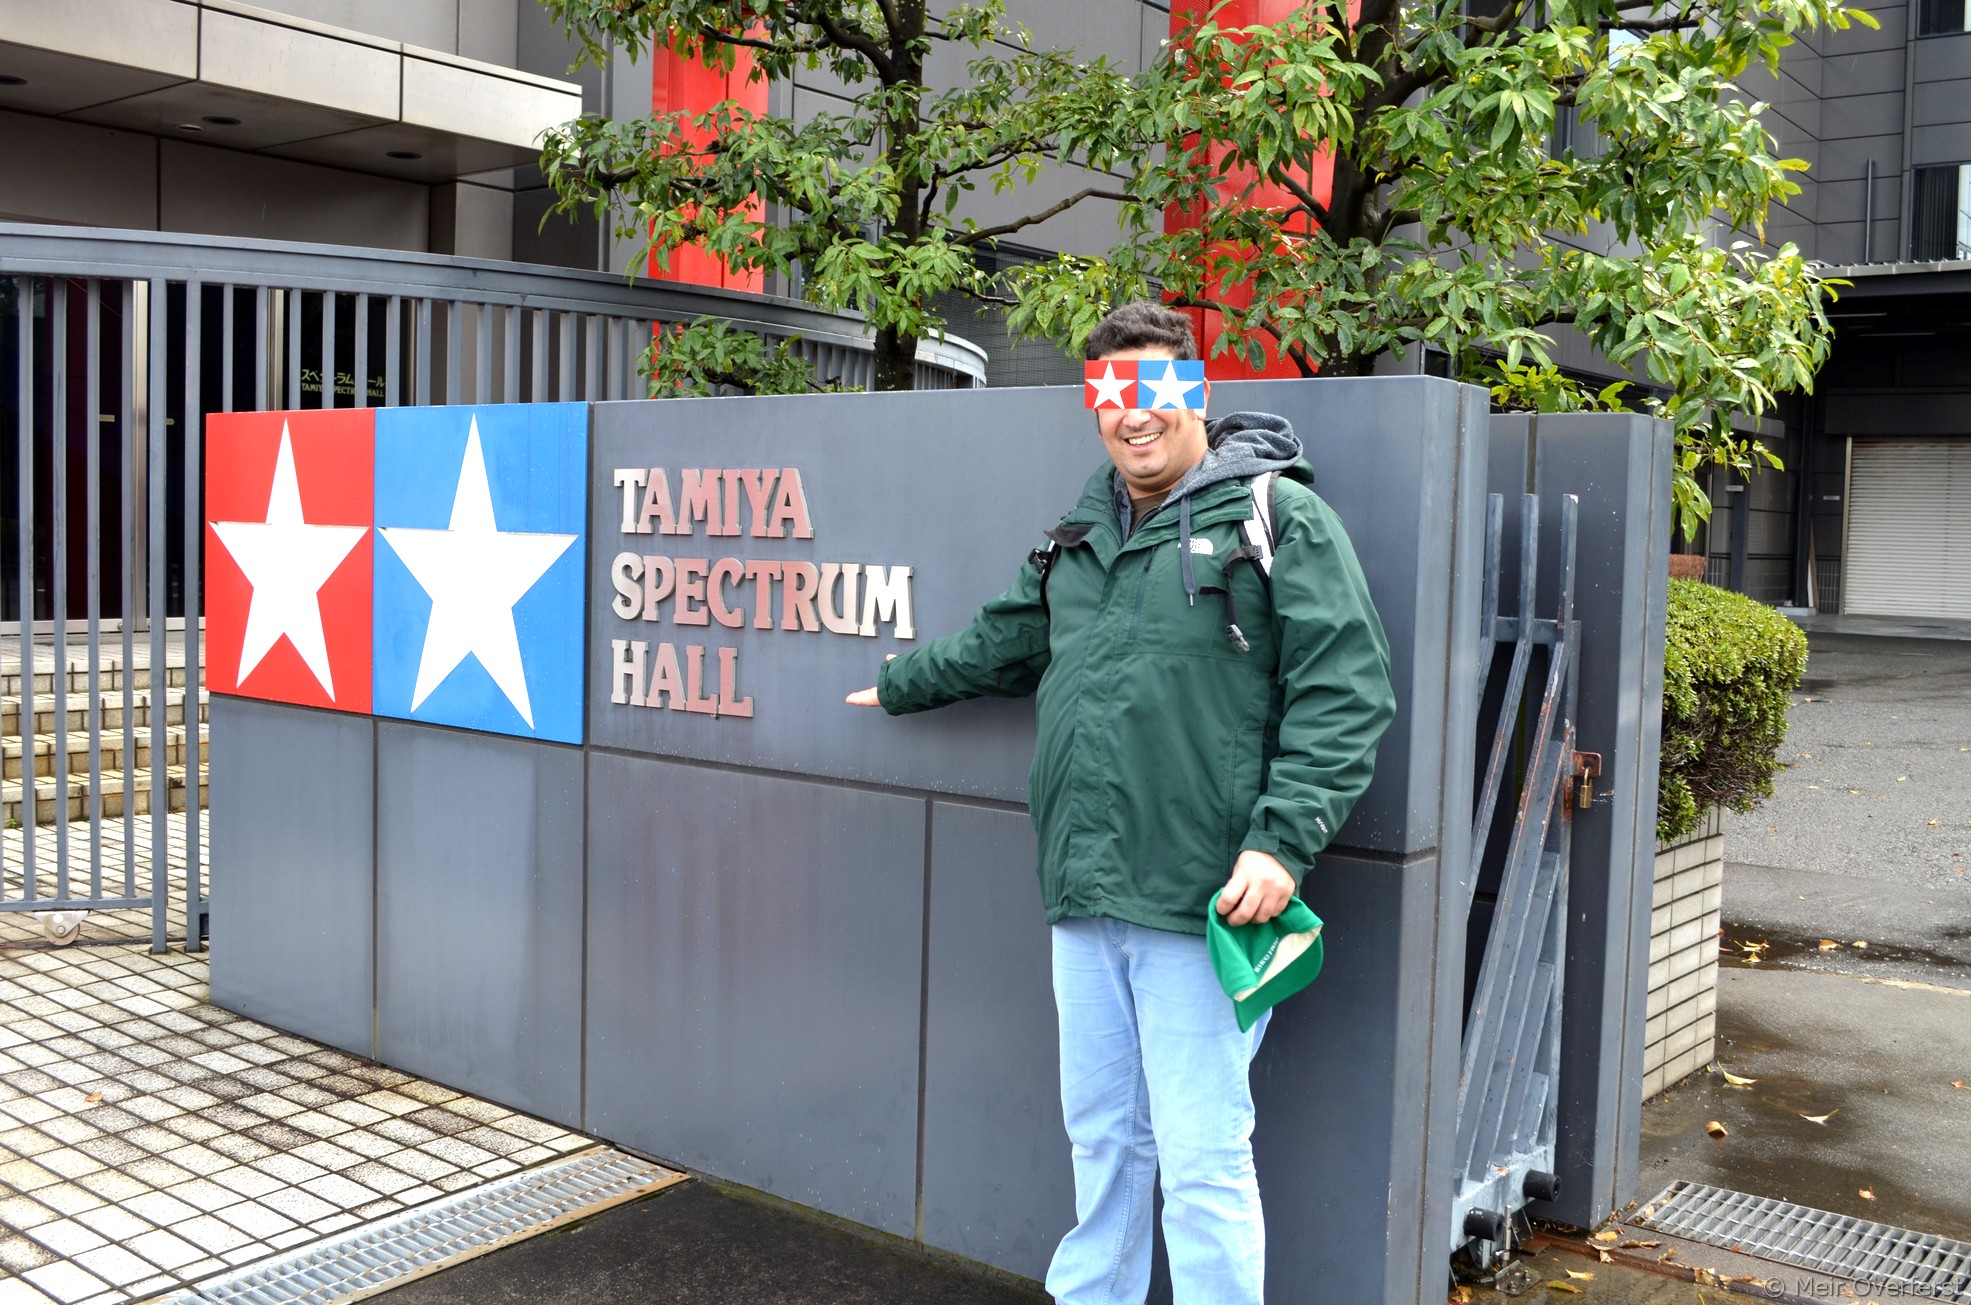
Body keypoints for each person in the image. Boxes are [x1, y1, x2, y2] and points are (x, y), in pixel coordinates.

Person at [846, 301, 1396, 1305]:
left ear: (1195, 392)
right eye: (1108, 394)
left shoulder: (1276, 516)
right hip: (1085, 893)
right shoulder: (1082, 533)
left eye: (1151, 389)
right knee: (1103, 1137)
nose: (1131, 413)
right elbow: (1005, 641)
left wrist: (1281, 843)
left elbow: (1346, 690)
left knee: (1201, 1158)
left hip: (1202, 898)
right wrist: (899, 683)